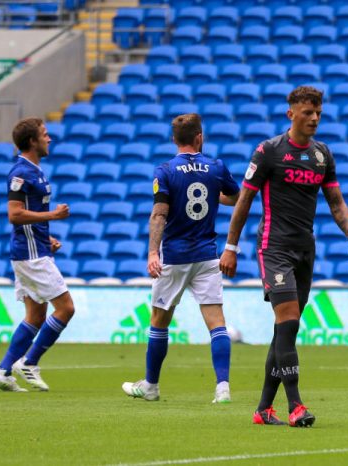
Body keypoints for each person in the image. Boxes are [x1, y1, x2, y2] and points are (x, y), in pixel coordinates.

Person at [219, 86, 348, 427]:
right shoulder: (269, 151)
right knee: (287, 319)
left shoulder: (322, 155)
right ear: (291, 114)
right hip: (274, 247)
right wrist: (230, 246)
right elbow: (244, 201)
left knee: (287, 327)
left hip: (304, 249)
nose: (314, 118)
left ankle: (262, 409)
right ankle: (296, 405)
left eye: (318, 113)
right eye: (307, 113)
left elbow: (336, 202)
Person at [122, 113, 240, 403]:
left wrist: (153, 252)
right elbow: (237, 197)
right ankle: (222, 387)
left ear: (174, 139)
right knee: (217, 322)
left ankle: (151, 386)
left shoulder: (164, 170)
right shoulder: (216, 167)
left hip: (175, 256)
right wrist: (213, 195)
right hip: (207, 256)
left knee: (159, 321)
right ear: (199, 137)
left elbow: (159, 214)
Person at [0, 117, 75, 392]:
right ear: (32, 141)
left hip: (34, 248)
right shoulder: (21, 173)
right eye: (44, 134)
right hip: (30, 255)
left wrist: (46, 237)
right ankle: (29, 362)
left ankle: (2, 371)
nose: (49, 139)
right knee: (66, 308)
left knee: (36, 315)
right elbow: (14, 215)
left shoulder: (35, 171)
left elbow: (27, 216)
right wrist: (53, 216)